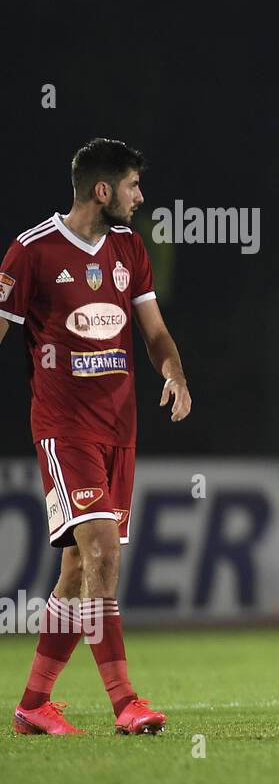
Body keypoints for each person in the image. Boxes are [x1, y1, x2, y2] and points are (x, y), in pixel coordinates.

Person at [3, 138, 192, 735]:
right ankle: (125, 703)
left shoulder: (130, 249)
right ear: (103, 190)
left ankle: (34, 705)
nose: (141, 197)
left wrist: (174, 370)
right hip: (64, 431)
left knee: (79, 573)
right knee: (103, 554)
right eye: (134, 186)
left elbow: (154, 330)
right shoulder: (30, 252)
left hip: (120, 432)